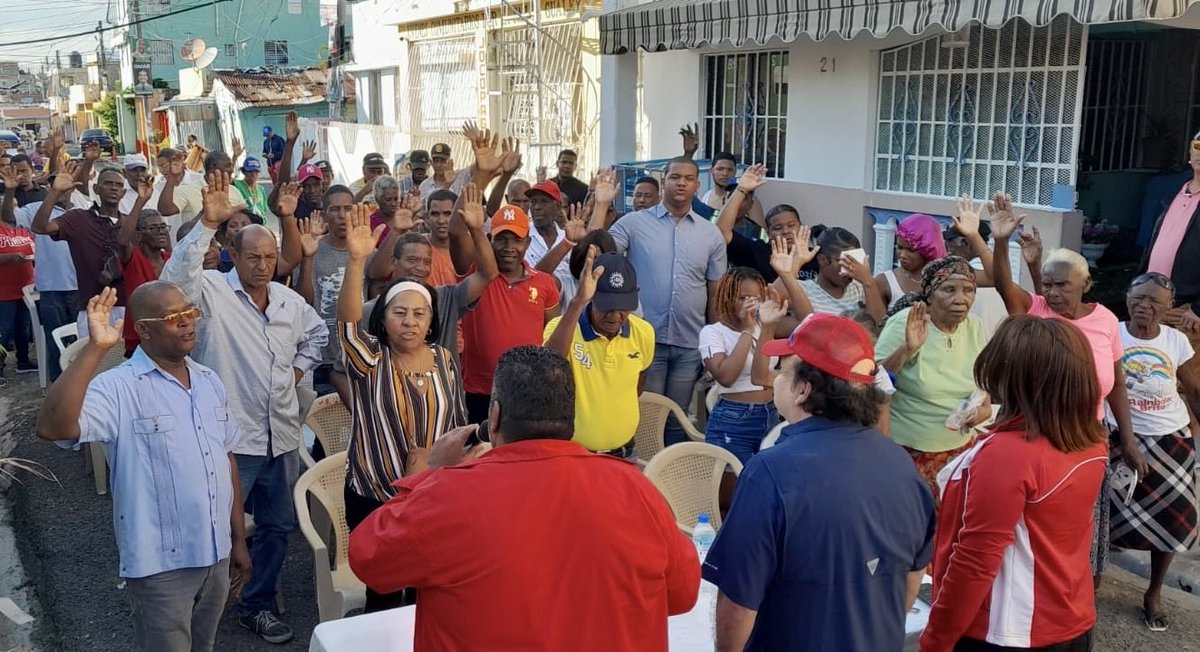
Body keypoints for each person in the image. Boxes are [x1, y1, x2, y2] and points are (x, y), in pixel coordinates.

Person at [348, 345, 699, 650]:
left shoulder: (448, 494)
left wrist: (431, 473)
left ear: (495, 415)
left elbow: (369, 557)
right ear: (570, 417)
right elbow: (682, 595)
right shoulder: (635, 488)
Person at [35, 284, 250, 652]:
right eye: (172, 318)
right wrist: (96, 348)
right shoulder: (118, 387)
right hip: (161, 565)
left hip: (216, 554)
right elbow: (53, 428)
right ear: (145, 329)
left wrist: (238, 540)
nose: (186, 324)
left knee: (206, 645)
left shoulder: (209, 381)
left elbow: (225, 458)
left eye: (189, 313)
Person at [160, 171, 327, 644]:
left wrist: (297, 371)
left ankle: (256, 602)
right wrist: (206, 226)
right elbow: (172, 283)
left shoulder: (289, 301)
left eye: (270, 258)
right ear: (234, 255)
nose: (262, 265)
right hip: (232, 439)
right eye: (252, 257)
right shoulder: (210, 293)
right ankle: (204, 599)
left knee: (276, 526)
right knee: (215, 525)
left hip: (282, 436)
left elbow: (317, 335)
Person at [705, 313, 936, 651]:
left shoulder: (769, 472)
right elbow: (908, 588)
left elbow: (738, 603)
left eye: (783, 370)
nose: (777, 379)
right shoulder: (902, 465)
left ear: (803, 389)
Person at [920, 316, 1109, 652]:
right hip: (1070, 616)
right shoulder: (1090, 440)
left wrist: (936, 639)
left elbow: (975, 560)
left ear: (1015, 380)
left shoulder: (1007, 455)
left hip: (1006, 628)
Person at [990, 192, 1143, 584]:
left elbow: (1117, 384)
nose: (1054, 293)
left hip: (1089, 437)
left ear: (1086, 283)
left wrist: (1127, 437)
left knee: (1079, 523)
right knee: (1037, 524)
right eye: (1048, 285)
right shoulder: (1037, 310)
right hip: (1040, 436)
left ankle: (1075, 586)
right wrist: (1002, 240)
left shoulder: (1107, 321)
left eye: (1063, 286)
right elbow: (1005, 287)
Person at [337, 203, 467, 611]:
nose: (409, 322)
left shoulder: (444, 361)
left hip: (433, 498)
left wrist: (438, 465)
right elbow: (347, 323)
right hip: (377, 498)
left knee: (430, 592)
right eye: (399, 313)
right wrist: (357, 262)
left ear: (431, 322)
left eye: (419, 314)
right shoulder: (370, 359)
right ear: (384, 319)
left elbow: (458, 425)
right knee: (387, 595)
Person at [334, 184, 498, 406]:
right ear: (394, 262)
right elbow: (339, 372)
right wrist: (364, 412)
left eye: (426, 262)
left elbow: (488, 273)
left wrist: (477, 231)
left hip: (445, 417)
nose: (419, 268)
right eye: (412, 260)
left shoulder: (445, 299)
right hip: (392, 422)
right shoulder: (371, 310)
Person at [609, 157, 727, 444]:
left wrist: (714, 340)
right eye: (675, 177)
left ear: (698, 186)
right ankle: (643, 478)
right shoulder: (634, 224)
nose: (681, 183)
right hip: (645, 339)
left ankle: (670, 480)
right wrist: (601, 206)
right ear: (664, 182)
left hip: (689, 342)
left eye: (688, 178)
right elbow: (601, 252)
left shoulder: (710, 234)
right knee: (644, 416)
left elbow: (716, 292)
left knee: (677, 418)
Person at [1109, 272, 1199, 632]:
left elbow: (1193, 387)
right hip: (1118, 437)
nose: (1144, 306)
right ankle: (1094, 580)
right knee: (1106, 516)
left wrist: (1195, 423)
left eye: (1154, 302)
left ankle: (1154, 592)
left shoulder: (1177, 341)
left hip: (1170, 440)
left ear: (1168, 308)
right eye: (1139, 298)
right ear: (1127, 298)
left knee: (1172, 521)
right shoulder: (1111, 333)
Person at [875, 256, 989, 494]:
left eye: (968, 290)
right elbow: (874, 382)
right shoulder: (905, 323)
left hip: (959, 451)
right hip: (909, 452)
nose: (961, 299)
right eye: (949, 289)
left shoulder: (975, 327)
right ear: (929, 294)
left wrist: (979, 413)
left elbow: (983, 392)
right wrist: (907, 349)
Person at [544, 247, 654, 456]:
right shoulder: (560, 327)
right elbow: (549, 366)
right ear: (591, 296)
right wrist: (578, 301)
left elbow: (638, 384)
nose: (614, 316)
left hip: (624, 453)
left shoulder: (645, 333)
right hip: (573, 455)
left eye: (622, 307)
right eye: (607, 306)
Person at [459, 204, 561, 422]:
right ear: (489, 239)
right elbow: (455, 235)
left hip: (528, 389)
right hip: (479, 391)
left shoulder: (545, 283)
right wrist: (474, 230)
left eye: (516, 240)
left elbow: (553, 336)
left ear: (528, 243)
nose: (508, 247)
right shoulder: (477, 276)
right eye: (501, 239)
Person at [31, 162, 125, 336]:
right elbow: (40, 227)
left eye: (118, 185)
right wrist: (55, 192)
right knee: (94, 361)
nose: (113, 188)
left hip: (127, 306)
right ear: (96, 189)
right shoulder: (78, 218)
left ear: (124, 193)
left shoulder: (129, 223)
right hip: (92, 306)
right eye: (108, 183)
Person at [1144, 130, 1200, 417]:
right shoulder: (1178, 192)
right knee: (1157, 379)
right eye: (1198, 145)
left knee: (1188, 386)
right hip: (1155, 302)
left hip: (1186, 310)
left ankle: (1190, 456)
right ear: (1190, 153)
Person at [699, 267, 779, 463]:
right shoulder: (713, 332)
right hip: (734, 418)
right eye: (743, 297)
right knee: (731, 485)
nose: (750, 304)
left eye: (755, 298)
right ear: (727, 297)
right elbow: (726, 377)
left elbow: (803, 320)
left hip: (771, 413)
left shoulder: (765, 325)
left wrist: (788, 273)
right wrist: (747, 330)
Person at [5, 178, 76, 378]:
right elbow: (8, 217)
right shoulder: (35, 208)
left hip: (82, 286)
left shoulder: (83, 208)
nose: (61, 188)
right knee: (56, 344)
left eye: (65, 184)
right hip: (52, 290)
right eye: (54, 185)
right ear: (48, 188)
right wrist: (10, 191)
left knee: (85, 341)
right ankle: (58, 389)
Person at [116, 182, 170, 356]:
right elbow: (123, 240)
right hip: (141, 340)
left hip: (170, 337)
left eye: (163, 227)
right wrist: (141, 201)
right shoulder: (133, 258)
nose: (161, 232)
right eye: (154, 228)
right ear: (139, 235)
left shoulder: (170, 259)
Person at [800, 226, 886, 321]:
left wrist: (868, 282)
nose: (850, 268)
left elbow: (880, 324)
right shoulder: (804, 290)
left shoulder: (860, 288)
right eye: (845, 262)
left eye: (855, 262)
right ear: (822, 259)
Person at [877, 213, 947, 308]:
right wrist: (867, 283)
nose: (902, 255)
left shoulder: (946, 279)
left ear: (928, 249)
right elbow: (879, 321)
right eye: (900, 247)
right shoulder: (884, 281)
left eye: (911, 250)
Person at [0, 212, 35, 373]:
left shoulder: (23, 229)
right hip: (4, 291)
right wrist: (9, 258)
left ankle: (23, 361)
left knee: (23, 328)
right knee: (4, 331)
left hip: (25, 288)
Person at [233, 157, 272, 232]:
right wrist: (235, 156)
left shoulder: (261, 189)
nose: (253, 175)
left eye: (256, 172)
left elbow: (263, 211)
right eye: (250, 171)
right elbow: (227, 176)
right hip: (244, 227)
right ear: (244, 172)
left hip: (260, 227)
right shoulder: (237, 184)